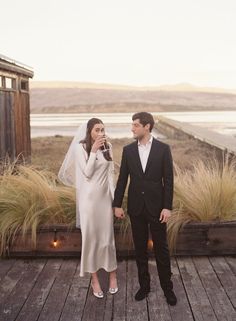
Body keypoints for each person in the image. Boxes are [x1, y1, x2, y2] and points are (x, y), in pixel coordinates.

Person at [113, 112, 177, 305]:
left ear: (147, 126)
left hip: (157, 208)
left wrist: (167, 207)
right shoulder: (128, 150)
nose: (132, 128)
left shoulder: (163, 149)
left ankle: (168, 289)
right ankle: (145, 286)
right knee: (140, 249)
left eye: (135, 125)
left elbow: (169, 180)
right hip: (136, 208)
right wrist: (117, 204)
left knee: (161, 249)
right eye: (132, 125)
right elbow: (123, 179)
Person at [58, 118, 118, 299]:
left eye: (103, 129)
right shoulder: (80, 148)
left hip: (105, 199)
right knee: (91, 239)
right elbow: (87, 172)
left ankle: (113, 275)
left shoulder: (109, 146)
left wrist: (114, 200)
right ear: (89, 132)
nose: (101, 133)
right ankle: (95, 279)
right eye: (97, 130)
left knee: (108, 239)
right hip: (89, 201)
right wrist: (93, 151)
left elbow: (110, 174)